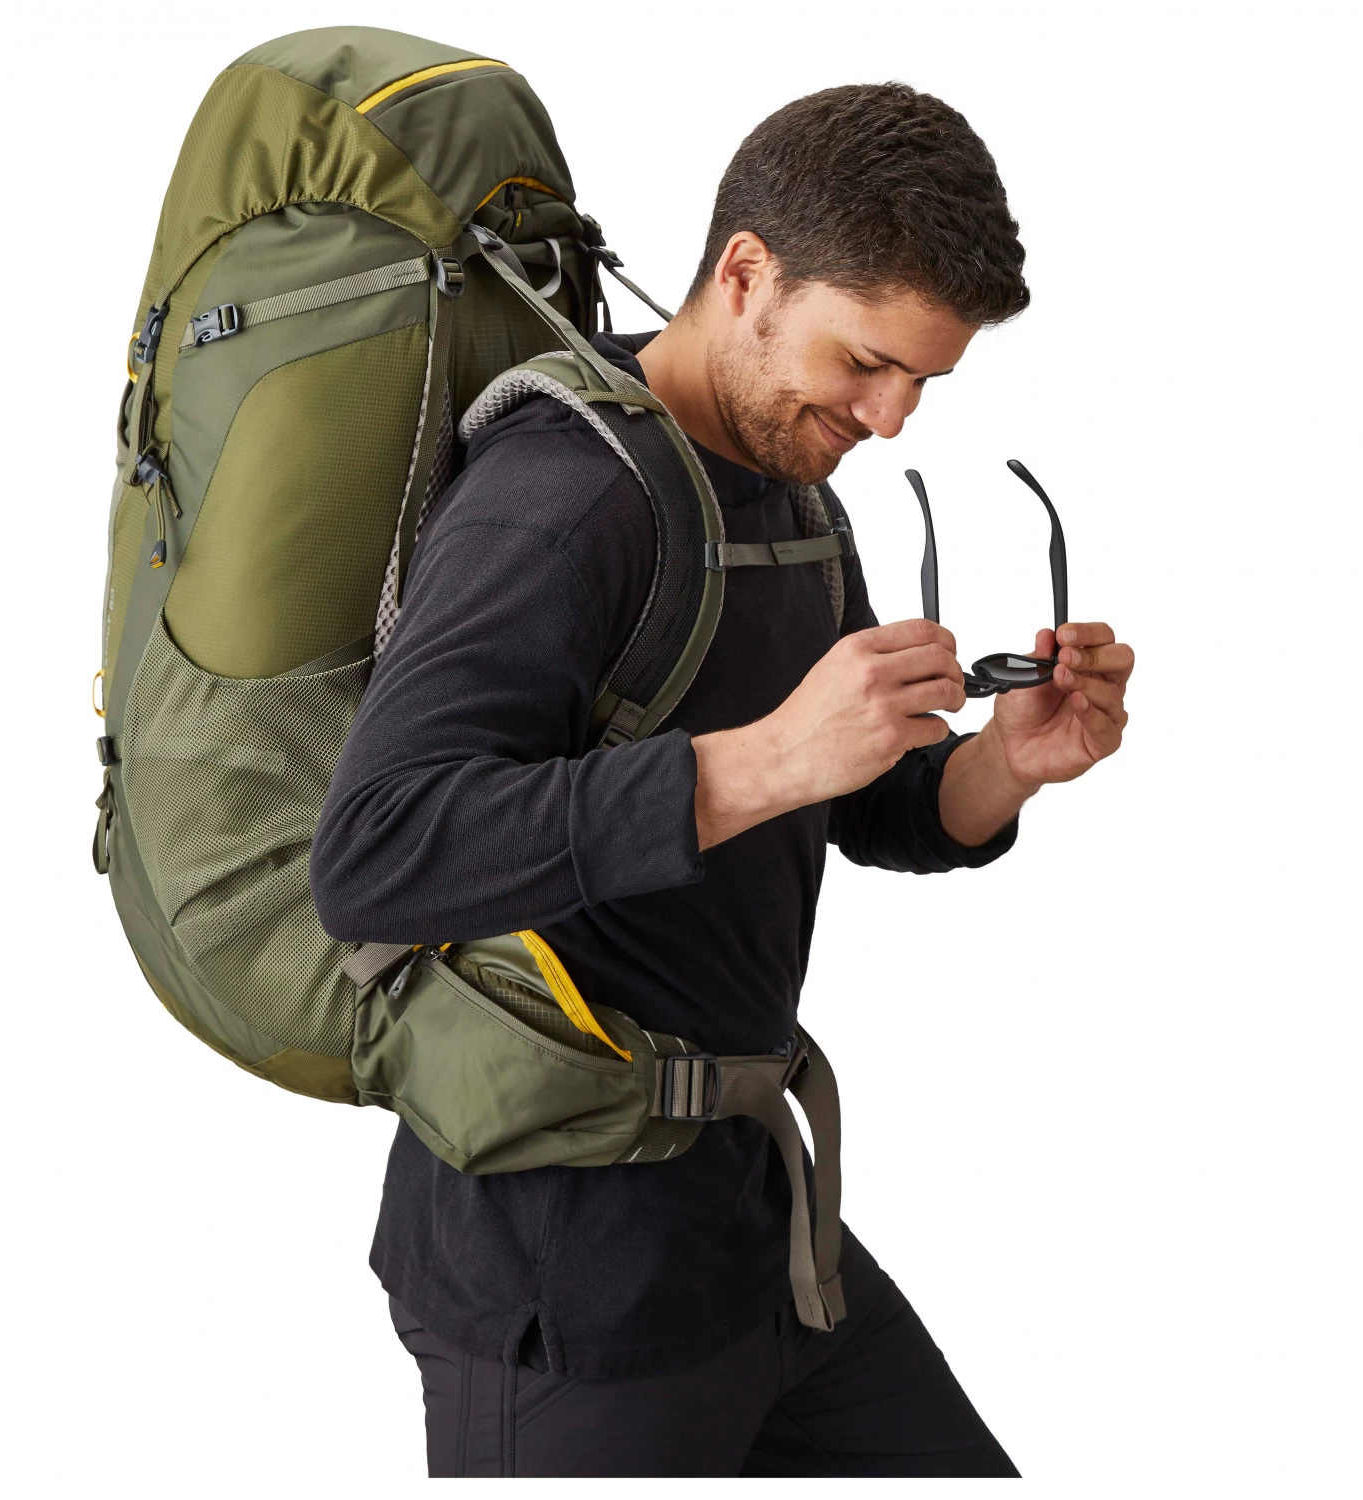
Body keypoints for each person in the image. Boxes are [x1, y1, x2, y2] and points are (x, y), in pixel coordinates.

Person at [310, 80, 1134, 1478]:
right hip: (565, 1290)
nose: (890, 418)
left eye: (924, 382)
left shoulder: (787, 484)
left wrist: (1003, 763)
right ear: (745, 272)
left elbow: (855, 799)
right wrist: (769, 756)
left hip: (756, 1230)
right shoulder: (559, 495)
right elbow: (375, 855)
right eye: (867, 361)